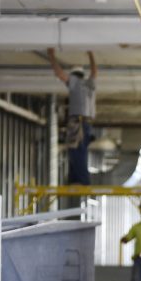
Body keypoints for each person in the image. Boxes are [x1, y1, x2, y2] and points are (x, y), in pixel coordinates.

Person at [46, 48, 97, 185]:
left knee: (76, 150)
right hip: (85, 124)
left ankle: (82, 180)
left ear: (74, 75)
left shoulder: (75, 83)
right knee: (79, 150)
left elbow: (59, 73)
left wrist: (51, 56)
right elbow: (94, 72)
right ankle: (77, 180)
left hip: (78, 124)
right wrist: (91, 55)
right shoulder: (89, 85)